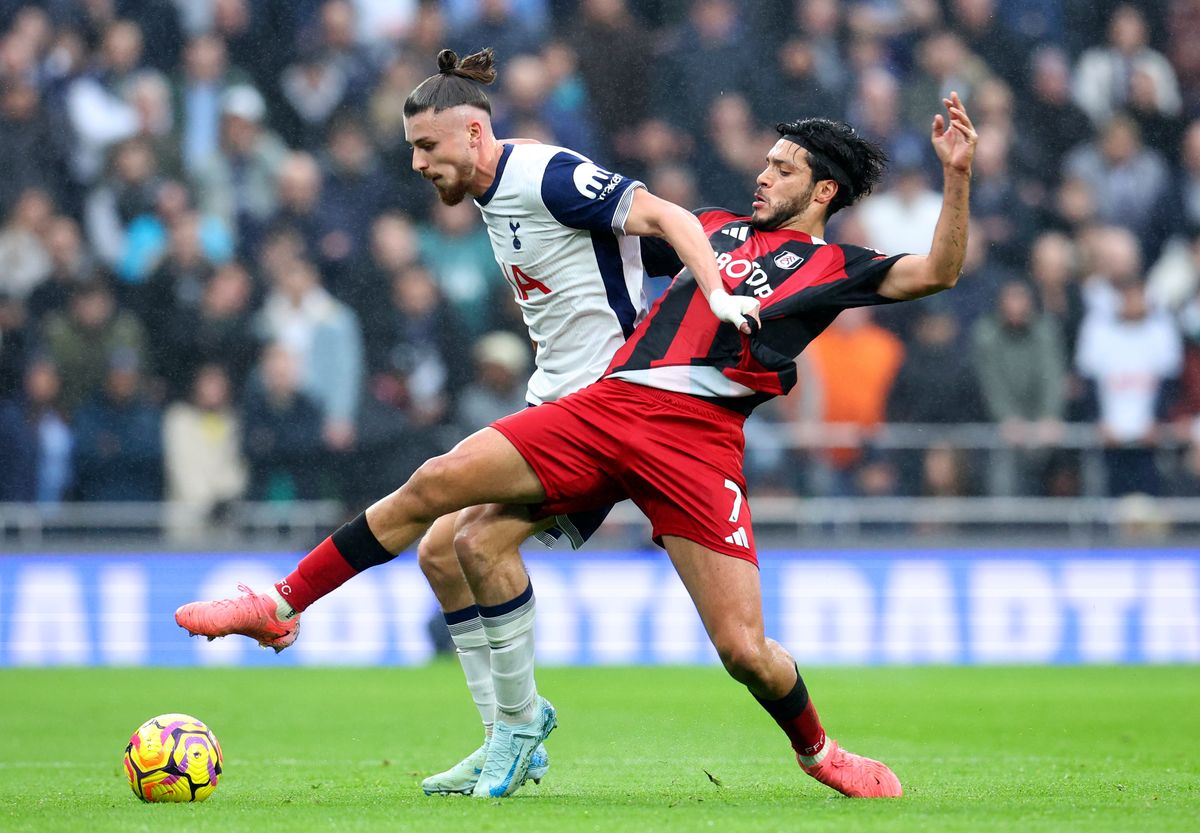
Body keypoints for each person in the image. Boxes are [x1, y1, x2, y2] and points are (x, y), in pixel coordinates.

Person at [179, 77, 977, 799]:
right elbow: (612, 235)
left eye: (782, 168)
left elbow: (938, 271)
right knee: (441, 493)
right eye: (764, 162)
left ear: (823, 188)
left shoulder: (838, 265)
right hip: (608, 406)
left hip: (698, 442)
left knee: (743, 650)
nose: (762, 175)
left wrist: (957, 176)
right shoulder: (714, 229)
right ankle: (282, 602)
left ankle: (819, 751)